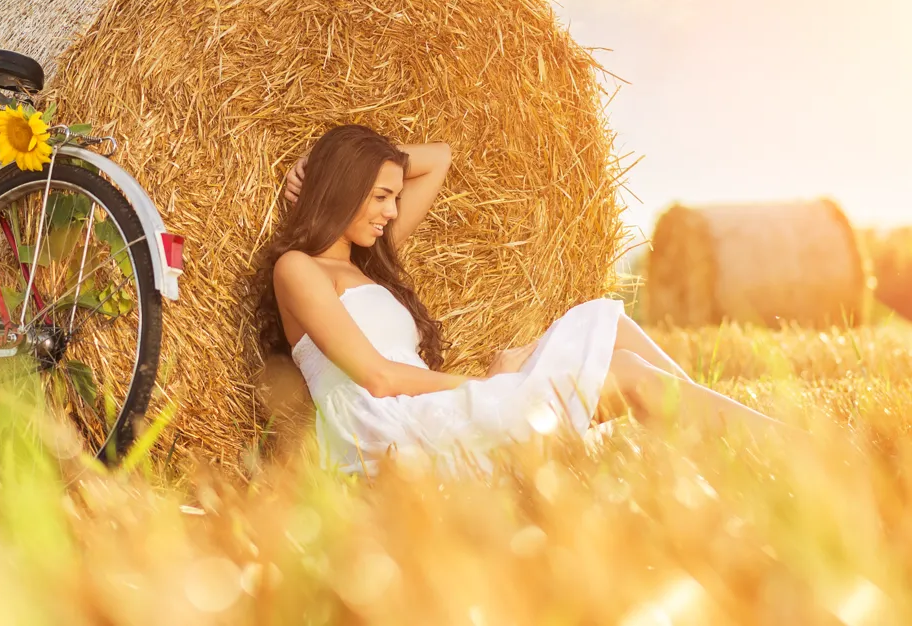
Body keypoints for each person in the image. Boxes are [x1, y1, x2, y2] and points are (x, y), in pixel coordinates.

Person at [251, 124, 793, 476]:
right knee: (626, 375)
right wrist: (495, 384)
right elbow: (379, 377)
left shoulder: (365, 260)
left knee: (606, 322)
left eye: (395, 196)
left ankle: (742, 447)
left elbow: (438, 158)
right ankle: (792, 454)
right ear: (342, 191)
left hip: (422, 408)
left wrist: (320, 160)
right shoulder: (298, 269)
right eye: (380, 197)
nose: (393, 211)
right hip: (386, 435)